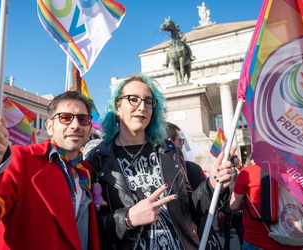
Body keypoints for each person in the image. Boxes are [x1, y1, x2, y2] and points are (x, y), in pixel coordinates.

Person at [86, 74, 235, 249]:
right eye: (133, 99)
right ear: (117, 107)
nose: (142, 107)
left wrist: (212, 185)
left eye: (148, 101)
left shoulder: (170, 151)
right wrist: (127, 218)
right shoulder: (98, 158)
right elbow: (90, 226)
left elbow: (187, 211)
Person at [0, 91, 100, 250]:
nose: (75, 125)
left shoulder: (85, 171)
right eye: (65, 118)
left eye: (83, 119)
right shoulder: (20, 159)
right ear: (50, 127)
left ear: (89, 128)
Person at [166, 122, 223, 250]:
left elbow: (204, 211)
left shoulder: (192, 169)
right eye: (180, 141)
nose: (183, 145)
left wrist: (213, 186)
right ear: (169, 142)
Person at [230, 156, 303, 250]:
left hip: (259, 241)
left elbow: (234, 205)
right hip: (294, 240)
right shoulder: (297, 172)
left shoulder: (248, 171)